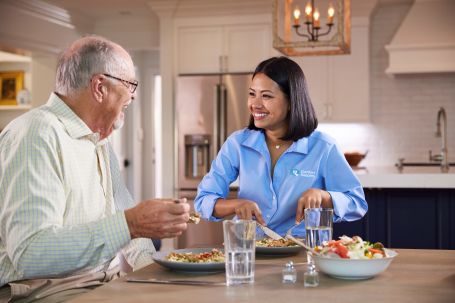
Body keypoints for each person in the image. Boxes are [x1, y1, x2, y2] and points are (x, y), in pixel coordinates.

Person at [0, 36, 190, 302]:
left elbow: (125, 215)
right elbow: (31, 253)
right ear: (100, 87)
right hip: (46, 292)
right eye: (130, 84)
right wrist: (132, 223)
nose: (133, 95)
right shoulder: (36, 134)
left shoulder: (98, 141)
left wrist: (152, 273)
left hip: (102, 284)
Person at [194, 56, 367, 236]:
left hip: (305, 253)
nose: (255, 104)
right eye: (252, 94)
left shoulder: (323, 147)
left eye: (266, 96)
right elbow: (203, 200)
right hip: (251, 251)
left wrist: (324, 197)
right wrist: (237, 204)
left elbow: (357, 203)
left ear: (292, 102)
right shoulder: (238, 144)